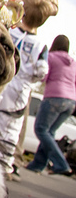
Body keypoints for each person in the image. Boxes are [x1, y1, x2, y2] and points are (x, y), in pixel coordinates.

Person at [0, 0, 51, 180]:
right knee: (9, 132)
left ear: (22, 13)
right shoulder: (41, 46)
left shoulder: (9, 31)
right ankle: (2, 169)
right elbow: (42, 71)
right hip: (19, 93)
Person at [25, 35, 75, 176]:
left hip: (54, 97)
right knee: (49, 132)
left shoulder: (51, 57)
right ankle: (38, 164)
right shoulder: (73, 62)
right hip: (71, 101)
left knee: (41, 129)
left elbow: (44, 76)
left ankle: (61, 164)